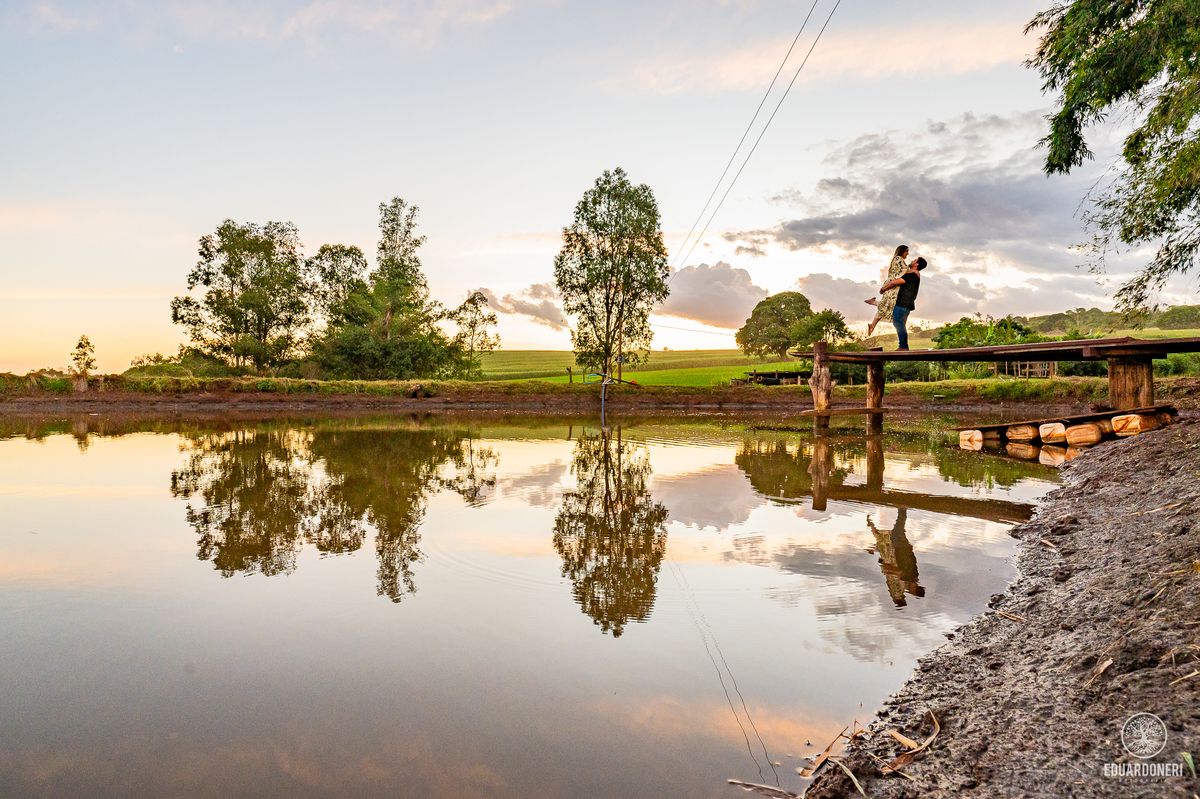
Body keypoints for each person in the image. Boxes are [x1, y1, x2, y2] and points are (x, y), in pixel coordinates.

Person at [878, 257, 927, 350]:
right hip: (906, 304)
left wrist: (883, 289)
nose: (912, 261)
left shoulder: (912, 275)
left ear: (916, 264)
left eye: (914, 260)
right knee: (899, 323)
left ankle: (903, 346)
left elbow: (895, 282)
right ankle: (903, 346)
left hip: (903, 303)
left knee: (898, 323)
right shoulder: (914, 274)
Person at [864, 245, 909, 336]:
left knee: (886, 305)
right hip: (893, 286)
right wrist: (913, 269)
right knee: (887, 305)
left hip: (892, 285)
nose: (907, 253)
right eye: (906, 251)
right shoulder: (899, 259)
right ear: (902, 251)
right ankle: (874, 306)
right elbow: (904, 272)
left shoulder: (896, 259)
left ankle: (872, 323)